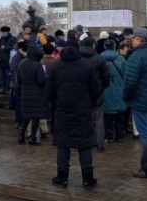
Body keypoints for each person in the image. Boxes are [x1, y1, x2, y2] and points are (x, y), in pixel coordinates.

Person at [46, 39, 99, 189]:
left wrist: (57, 104)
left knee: (63, 144)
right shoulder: (87, 66)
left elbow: (50, 91)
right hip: (82, 110)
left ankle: (62, 178)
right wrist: (90, 104)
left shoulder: (57, 67)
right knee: (85, 144)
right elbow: (95, 90)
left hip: (63, 110)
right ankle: (88, 179)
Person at [122, 27, 147, 178]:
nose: (131, 41)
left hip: (141, 101)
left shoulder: (136, 56)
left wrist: (126, 97)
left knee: (146, 135)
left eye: (133, 38)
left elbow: (130, 82)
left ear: (139, 40)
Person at [79, 36, 110, 152]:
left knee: (83, 118)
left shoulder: (78, 59)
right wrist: (101, 87)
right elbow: (107, 76)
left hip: (82, 94)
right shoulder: (100, 59)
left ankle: (84, 142)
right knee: (99, 119)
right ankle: (100, 144)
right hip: (97, 92)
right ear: (93, 45)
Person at [14, 45, 47, 146]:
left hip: (25, 93)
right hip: (37, 94)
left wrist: (17, 93)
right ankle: (32, 138)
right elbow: (42, 80)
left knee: (26, 117)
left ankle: (21, 136)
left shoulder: (22, 64)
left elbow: (18, 80)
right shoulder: (37, 65)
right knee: (36, 117)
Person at [101, 39, 127, 143]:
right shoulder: (121, 59)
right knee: (120, 116)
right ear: (115, 47)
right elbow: (126, 75)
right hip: (120, 91)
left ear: (105, 47)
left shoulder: (100, 59)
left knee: (107, 116)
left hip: (106, 91)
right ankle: (120, 136)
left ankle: (109, 136)